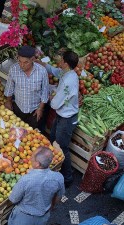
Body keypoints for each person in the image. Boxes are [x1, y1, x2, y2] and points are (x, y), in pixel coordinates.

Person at [37, 50, 79, 188]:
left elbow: (55, 104)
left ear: (65, 63)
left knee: (62, 147)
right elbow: (56, 71)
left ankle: (67, 178)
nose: (59, 60)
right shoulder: (68, 73)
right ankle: (54, 166)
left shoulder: (68, 81)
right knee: (53, 139)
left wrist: (50, 97)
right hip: (62, 116)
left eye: (61, 59)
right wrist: (43, 65)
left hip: (67, 118)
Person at [8, 146, 65, 225]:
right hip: (43, 217)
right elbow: (58, 197)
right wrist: (48, 208)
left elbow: (13, 199)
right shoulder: (58, 178)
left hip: (23, 218)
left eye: (32, 157)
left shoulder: (25, 180)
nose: (31, 158)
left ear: (37, 164)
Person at [4, 45, 49, 129]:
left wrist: (40, 108)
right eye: (20, 61)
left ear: (32, 59)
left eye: (26, 62)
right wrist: (8, 101)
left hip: (34, 111)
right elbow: (9, 87)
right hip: (18, 108)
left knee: (31, 135)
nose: (22, 65)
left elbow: (45, 92)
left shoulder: (42, 71)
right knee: (16, 131)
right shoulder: (14, 69)